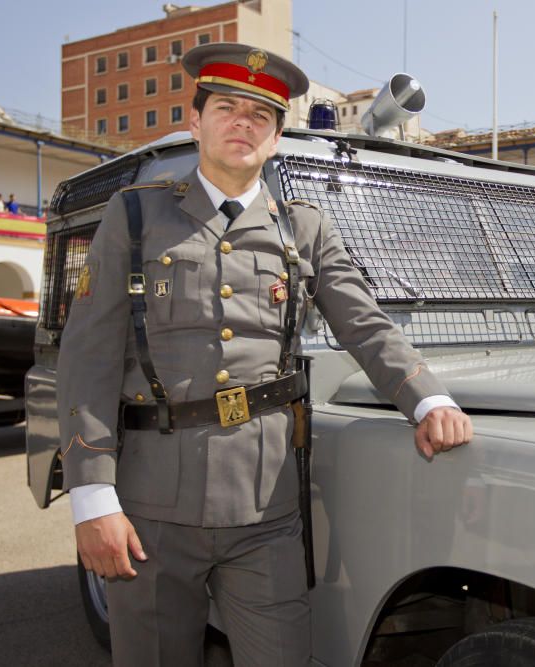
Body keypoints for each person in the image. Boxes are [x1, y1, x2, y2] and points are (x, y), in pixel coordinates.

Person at [57, 42, 473, 666]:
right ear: (195, 121)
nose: (242, 123)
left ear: (277, 137)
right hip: (152, 511)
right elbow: (87, 359)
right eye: (227, 107)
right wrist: (93, 498)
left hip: (266, 510)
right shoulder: (137, 216)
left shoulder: (303, 227)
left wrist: (428, 397)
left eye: (260, 115)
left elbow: (364, 323)